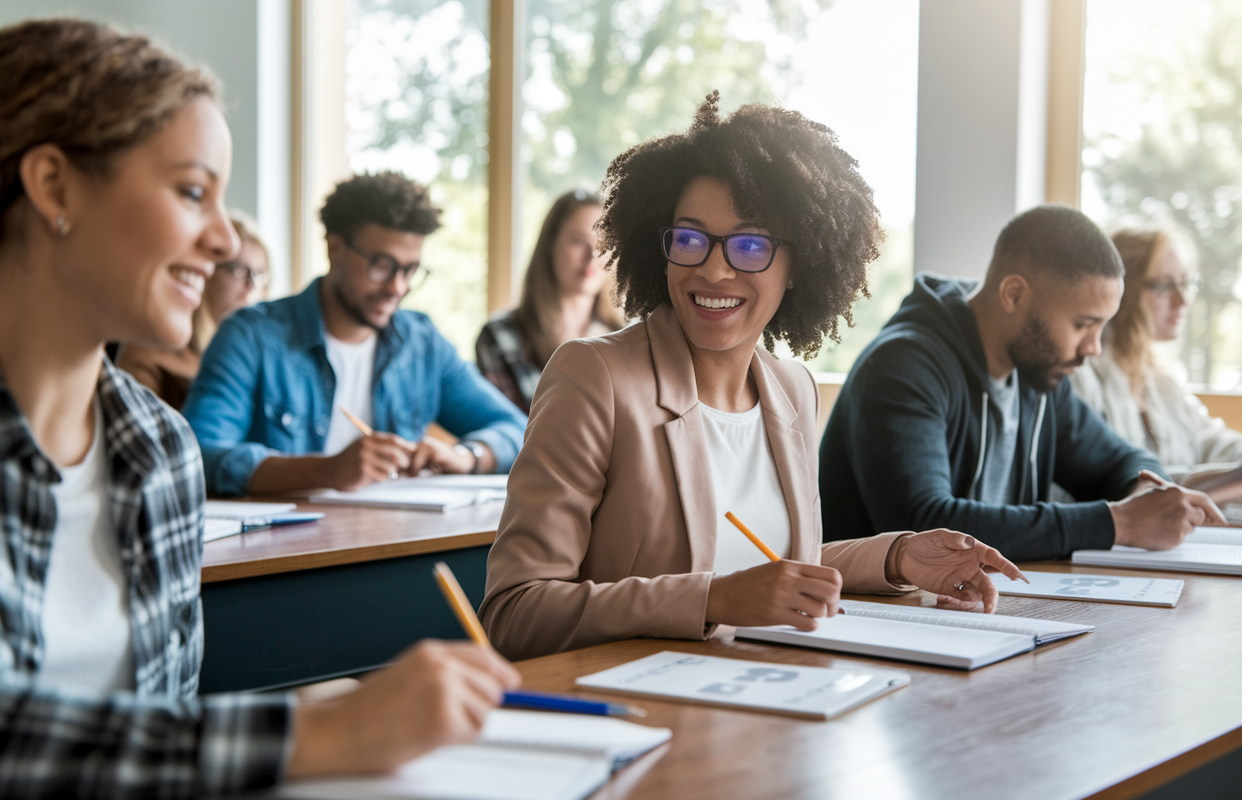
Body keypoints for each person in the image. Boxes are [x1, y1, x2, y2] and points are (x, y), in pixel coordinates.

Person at [0, 19, 518, 795]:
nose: (225, 242)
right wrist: (328, 728)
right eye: (193, 192)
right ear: (54, 186)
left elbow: (165, 722)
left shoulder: (154, 446)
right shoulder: (252, 345)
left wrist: (463, 453)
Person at [479, 93, 1024, 662]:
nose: (714, 269)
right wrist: (711, 599)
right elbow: (516, 612)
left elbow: (768, 566)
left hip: (767, 708)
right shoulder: (595, 376)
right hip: (648, 712)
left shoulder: (791, 388)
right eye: (689, 238)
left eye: (750, 245)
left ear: (800, 266)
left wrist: (897, 558)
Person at [819, 205, 1224, 563]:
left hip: (983, 606)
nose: (1093, 348)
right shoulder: (903, 367)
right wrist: (1118, 523)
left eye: (1102, 327)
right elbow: (925, 525)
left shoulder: (1037, 375)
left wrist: (1143, 492)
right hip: (878, 616)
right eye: (1082, 324)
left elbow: (1122, 460)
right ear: (1013, 294)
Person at [184, 171, 528, 496]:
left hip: (393, 543)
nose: (397, 287)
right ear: (335, 249)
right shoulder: (250, 336)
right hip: (285, 556)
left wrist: (468, 455)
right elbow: (200, 457)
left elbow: (519, 430)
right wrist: (327, 472)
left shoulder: (422, 343)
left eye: (410, 270)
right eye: (382, 265)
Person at [1071, 226, 1242, 504]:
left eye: (1186, 283)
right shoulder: (1082, 373)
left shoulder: (1162, 379)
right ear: (1123, 290)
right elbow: (1107, 480)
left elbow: (1212, 441)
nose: (1183, 300)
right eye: (1164, 286)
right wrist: (1200, 484)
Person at [475, 189, 625, 412]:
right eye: (578, 241)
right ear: (551, 245)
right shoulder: (500, 337)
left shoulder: (626, 338)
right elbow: (508, 430)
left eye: (604, 244)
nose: (592, 255)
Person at [115, 210, 268, 408]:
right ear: (206, 271)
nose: (251, 286)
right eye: (238, 270)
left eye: (259, 275)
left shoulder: (260, 359)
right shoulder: (148, 350)